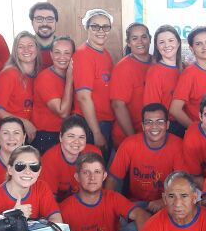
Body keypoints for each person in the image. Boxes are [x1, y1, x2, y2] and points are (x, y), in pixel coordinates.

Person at [107, 103, 186, 212]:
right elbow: (112, 179)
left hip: (167, 204)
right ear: (143, 126)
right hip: (136, 204)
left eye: (160, 122)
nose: (154, 126)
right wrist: (108, 208)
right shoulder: (129, 144)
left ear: (167, 125)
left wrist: (164, 201)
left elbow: (184, 184)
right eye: (149, 122)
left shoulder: (178, 146)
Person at [0, 144, 62, 222]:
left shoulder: (41, 187)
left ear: (39, 171)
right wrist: (12, 219)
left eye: (34, 166)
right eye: (20, 166)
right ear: (10, 169)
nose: (27, 172)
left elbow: (57, 219)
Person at [170, 26, 206, 129]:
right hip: (202, 132)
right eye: (198, 44)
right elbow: (175, 109)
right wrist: (197, 130)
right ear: (191, 48)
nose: (204, 47)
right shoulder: (189, 74)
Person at [73, 8, 116, 149]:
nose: (101, 31)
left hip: (105, 121)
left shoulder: (105, 54)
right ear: (87, 28)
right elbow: (83, 97)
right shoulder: (83, 55)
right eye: (95, 26)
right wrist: (96, 133)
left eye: (105, 27)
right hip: (91, 124)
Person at [39, 114, 102, 201]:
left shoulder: (94, 154)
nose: (76, 142)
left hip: (86, 201)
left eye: (81, 137)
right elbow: (50, 199)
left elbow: (96, 191)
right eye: (71, 136)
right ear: (61, 137)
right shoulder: (49, 159)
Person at [0, 30, 41, 140]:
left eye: (30, 45)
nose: (26, 50)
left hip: (29, 133)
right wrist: (23, 122)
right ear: (15, 51)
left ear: (37, 49)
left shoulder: (39, 74)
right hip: (9, 135)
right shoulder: (9, 74)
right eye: (20, 47)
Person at [30, 36, 75, 154]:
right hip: (46, 136)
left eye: (67, 53)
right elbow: (63, 112)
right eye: (57, 52)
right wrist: (70, 80)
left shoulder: (75, 74)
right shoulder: (45, 78)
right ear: (51, 54)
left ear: (73, 55)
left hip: (66, 133)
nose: (62, 57)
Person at [111, 23, 152, 146]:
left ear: (150, 39)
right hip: (128, 137)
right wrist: (133, 139)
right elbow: (118, 105)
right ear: (128, 43)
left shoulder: (156, 62)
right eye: (135, 38)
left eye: (144, 37)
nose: (140, 42)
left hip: (151, 134)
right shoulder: (123, 68)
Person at [142, 25, 183, 119]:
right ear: (157, 46)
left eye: (171, 40)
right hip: (167, 124)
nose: (167, 45)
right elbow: (151, 108)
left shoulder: (183, 68)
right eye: (161, 42)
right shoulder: (155, 72)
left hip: (183, 121)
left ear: (178, 43)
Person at [29, 1, 59, 66]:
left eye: (50, 19)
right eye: (39, 19)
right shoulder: (23, 50)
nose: (45, 23)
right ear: (32, 22)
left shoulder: (66, 47)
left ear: (56, 22)